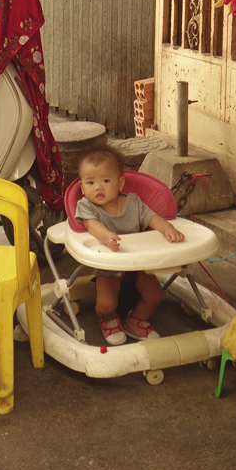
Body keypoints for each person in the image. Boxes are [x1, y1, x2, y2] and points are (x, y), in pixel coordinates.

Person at [75, 147, 185, 345]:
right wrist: (106, 236)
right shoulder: (86, 206)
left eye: (105, 181)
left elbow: (151, 217)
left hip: (137, 266)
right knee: (105, 306)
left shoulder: (133, 203)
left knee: (155, 296)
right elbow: (92, 225)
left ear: (120, 183)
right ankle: (108, 320)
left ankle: (136, 321)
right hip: (109, 268)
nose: (98, 187)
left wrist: (167, 228)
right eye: (90, 183)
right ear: (82, 188)